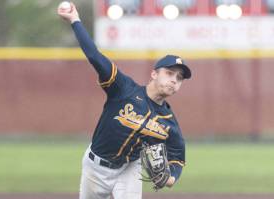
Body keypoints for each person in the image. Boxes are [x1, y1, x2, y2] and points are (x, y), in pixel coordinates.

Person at [58, 2, 192, 199]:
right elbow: (95, 56)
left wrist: (171, 177)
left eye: (179, 78)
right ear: (154, 74)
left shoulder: (168, 121)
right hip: (96, 168)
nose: (174, 80)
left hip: (129, 168)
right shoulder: (123, 88)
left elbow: (178, 157)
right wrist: (75, 20)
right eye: (170, 73)